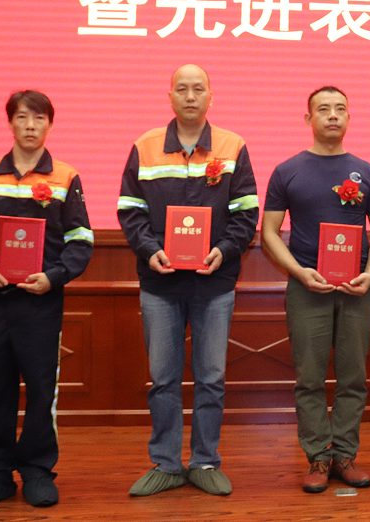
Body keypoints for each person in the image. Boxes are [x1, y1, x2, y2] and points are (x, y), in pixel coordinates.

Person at [118, 64, 258, 497]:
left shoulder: (233, 147)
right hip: (159, 284)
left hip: (213, 284)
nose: (191, 96)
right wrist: (149, 249)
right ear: (171, 96)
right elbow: (129, 210)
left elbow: (247, 213)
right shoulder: (145, 147)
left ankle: (205, 461)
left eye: (199, 89)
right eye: (182, 89)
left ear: (211, 97)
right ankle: (165, 463)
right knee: (163, 378)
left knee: (211, 377)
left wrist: (224, 251)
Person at [0, 91, 93, 511]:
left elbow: (81, 241)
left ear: (50, 124)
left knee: (41, 390)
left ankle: (36, 471)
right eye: (22, 117)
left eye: (39, 118)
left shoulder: (65, 178)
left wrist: (54, 277)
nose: (31, 126)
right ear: (10, 122)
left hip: (40, 304)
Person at [261, 86, 370, 493]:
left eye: (340, 109)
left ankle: (345, 455)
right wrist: (299, 272)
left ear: (349, 118)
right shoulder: (287, 170)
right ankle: (318, 456)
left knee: (353, 377)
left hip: (357, 288)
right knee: (310, 378)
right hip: (307, 288)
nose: (332, 115)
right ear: (309, 119)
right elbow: (268, 232)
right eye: (323, 109)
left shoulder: (366, 172)